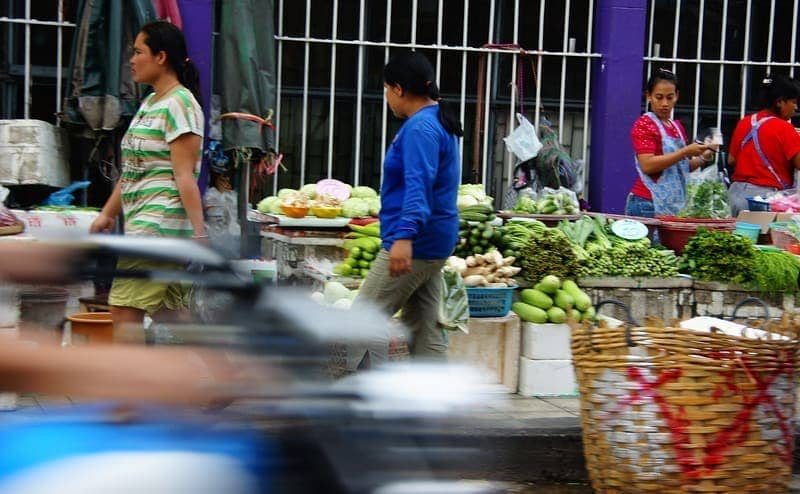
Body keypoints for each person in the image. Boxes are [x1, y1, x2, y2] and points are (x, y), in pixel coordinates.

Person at [89, 21, 207, 330]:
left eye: (138, 52)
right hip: (144, 223)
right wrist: (108, 214)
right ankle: (232, 372)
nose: (131, 59)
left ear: (161, 57)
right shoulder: (151, 103)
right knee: (174, 314)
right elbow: (133, 170)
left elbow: (184, 176)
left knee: (123, 310)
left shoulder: (180, 104)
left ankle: (126, 378)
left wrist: (200, 234)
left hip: (159, 226)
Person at [349, 51, 462, 370]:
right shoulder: (437, 118)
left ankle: (344, 403)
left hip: (416, 244)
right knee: (425, 329)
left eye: (385, 89)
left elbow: (418, 185)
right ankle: (433, 405)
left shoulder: (420, 128)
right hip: (434, 241)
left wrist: (404, 237)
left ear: (398, 89)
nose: (386, 97)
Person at [624, 69, 716, 217]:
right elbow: (647, 165)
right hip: (647, 203)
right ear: (648, 96)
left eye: (669, 97)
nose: (665, 104)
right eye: (659, 97)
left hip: (673, 206)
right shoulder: (645, 124)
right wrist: (685, 152)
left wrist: (704, 156)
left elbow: (681, 168)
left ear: (677, 96)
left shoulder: (677, 127)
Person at [727, 75, 800, 215]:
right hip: (763, 200)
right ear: (780, 102)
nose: (795, 108)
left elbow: (732, 159)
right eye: (793, 102)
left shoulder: (745, 122)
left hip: (735, 195)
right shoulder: (784, 128)